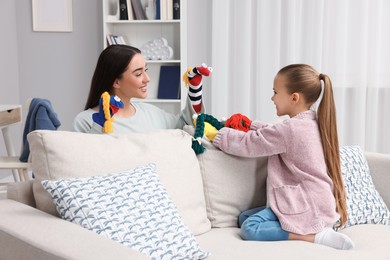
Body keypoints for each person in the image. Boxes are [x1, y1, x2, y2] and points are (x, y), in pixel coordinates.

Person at [212, 64, 354, 250]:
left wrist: (217, 135)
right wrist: (250, 124)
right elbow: (273, 133)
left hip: (304, 205)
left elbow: (250, 144)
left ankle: (314, 236)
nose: (272, 98)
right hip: (316, 202)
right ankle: (315, 230)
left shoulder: (291, 130)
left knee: (250, 228)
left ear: (294, 98)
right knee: (244, 217)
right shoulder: (309, 123)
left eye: (275, 92)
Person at [73, 44, 211, 133]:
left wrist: (194, 88)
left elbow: (188, 124)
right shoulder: (85, 121)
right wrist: (99, 126)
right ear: (116, 82)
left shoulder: (150, 113)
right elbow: (87, 162)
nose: (147, 79)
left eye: (146, 70)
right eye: (138, 74)